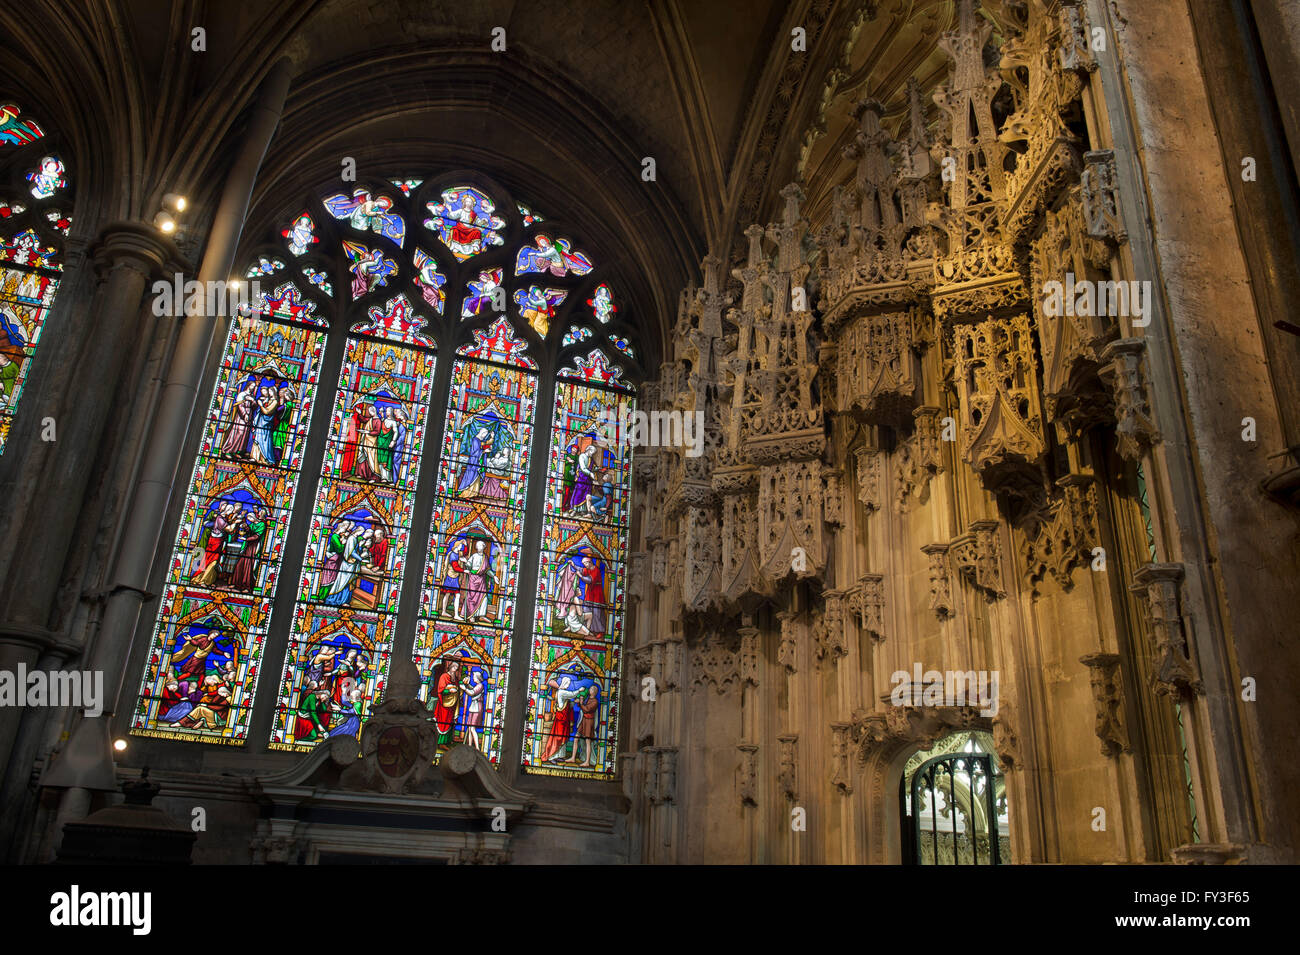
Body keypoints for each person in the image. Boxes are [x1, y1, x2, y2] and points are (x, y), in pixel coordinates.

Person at [220, 378, 257, 457]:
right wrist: (244, 414)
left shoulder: (252, 396)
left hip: (249, 415)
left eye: (254, 386)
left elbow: (254, 407)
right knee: (239, 432)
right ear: (248, 386)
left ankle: (237, 451)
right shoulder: (242, 394)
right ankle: (228, 450)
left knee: (245, 434)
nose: (253, 388)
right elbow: (239, 405)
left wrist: (253, 401)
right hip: (241, 416)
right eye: (252, 386)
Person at [569, 685, 600, 767]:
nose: (589, 689)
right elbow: (582, 708)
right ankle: (573, 757)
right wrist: (579, 702)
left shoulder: (595, 702)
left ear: (594, 691)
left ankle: (587, 761)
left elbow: (586, 709)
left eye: (591, 688)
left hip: (589, 722)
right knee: (576, 738)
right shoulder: (588, 698)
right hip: (584, 721)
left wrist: (581, 702)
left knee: (588, 742)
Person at [460, 669, 487, 751]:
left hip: (477, 708)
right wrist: (467, 685)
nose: (473, 678)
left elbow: (472, 693)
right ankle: (469, 746)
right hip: (473, 707)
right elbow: (472, 689)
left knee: (472, 728)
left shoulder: (480, 686)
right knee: (469, 727)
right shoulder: (477, 685)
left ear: (478, 678)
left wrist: (464, 689)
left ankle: (477, 748)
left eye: (474, 677)